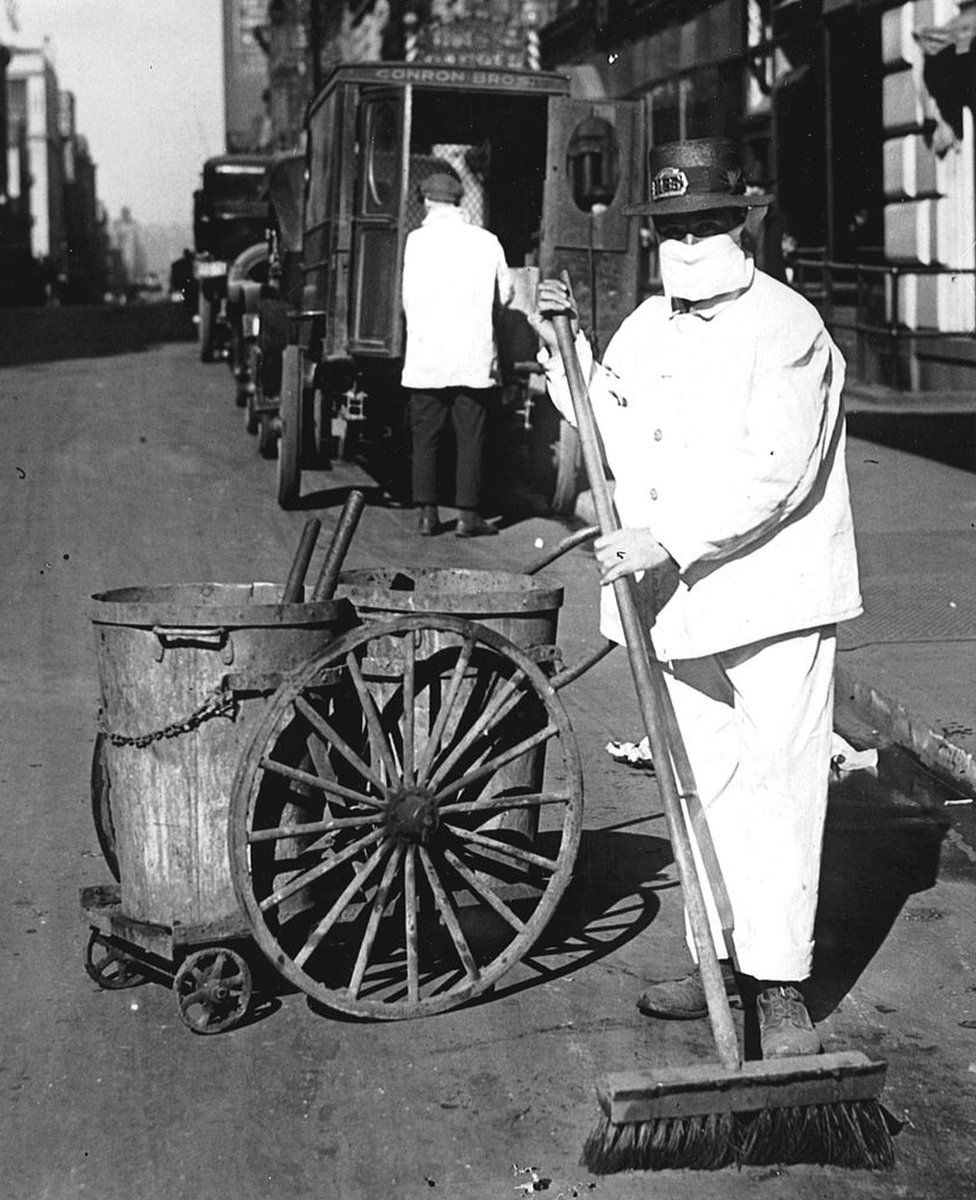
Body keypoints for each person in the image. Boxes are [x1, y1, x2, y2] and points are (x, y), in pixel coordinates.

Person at [532, 136, 862, 1060]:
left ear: (737, 224)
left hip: (772, 599)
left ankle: (782, 982)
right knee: (700, 787)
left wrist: (668, 537)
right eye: (671, 225)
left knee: (781, 787)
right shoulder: (646, 325)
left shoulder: (787, 326)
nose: (687, 240)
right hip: (674, 600)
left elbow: (776, 472)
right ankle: (718, 964)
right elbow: (607, 423)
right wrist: (564, 348)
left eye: (703, 223)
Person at [401, 170, 514, 537]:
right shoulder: (487, 241)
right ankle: (467, 517)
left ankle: (427, 514)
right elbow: (507, 293)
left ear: (426, 201)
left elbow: (406, 300)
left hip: (426, 357)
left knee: (426, 436)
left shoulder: (415, 241)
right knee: (471, 435)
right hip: (472, 355)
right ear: (459, 201)